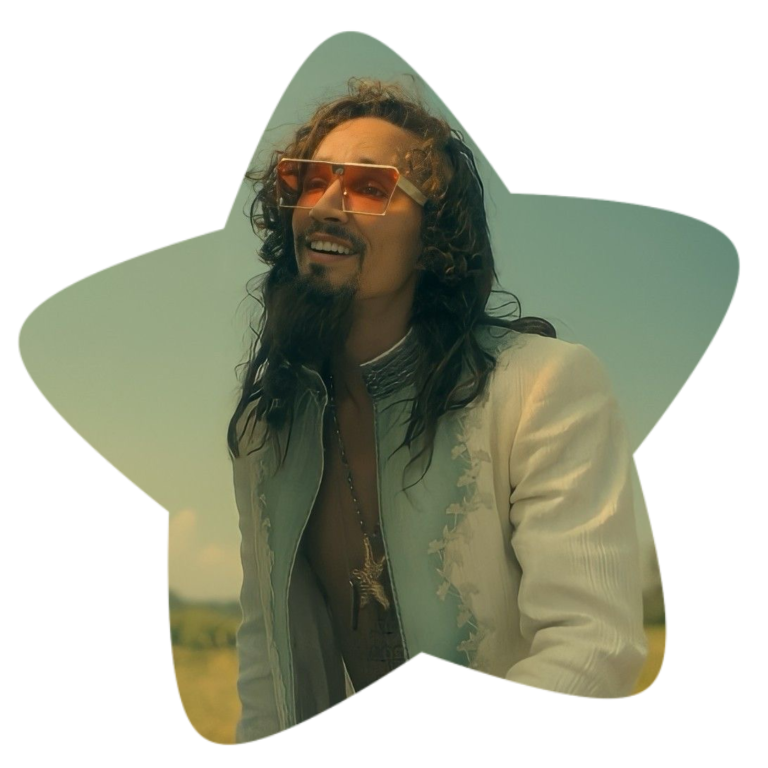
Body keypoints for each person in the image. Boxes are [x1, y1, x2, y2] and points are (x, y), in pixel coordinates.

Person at [227, 78, 648, 744]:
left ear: (433, 237)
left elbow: (593, 646)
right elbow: (265, 667)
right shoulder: (266, 430)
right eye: (309, 180)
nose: (326, 204)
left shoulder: (541, 385)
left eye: (370, 186)